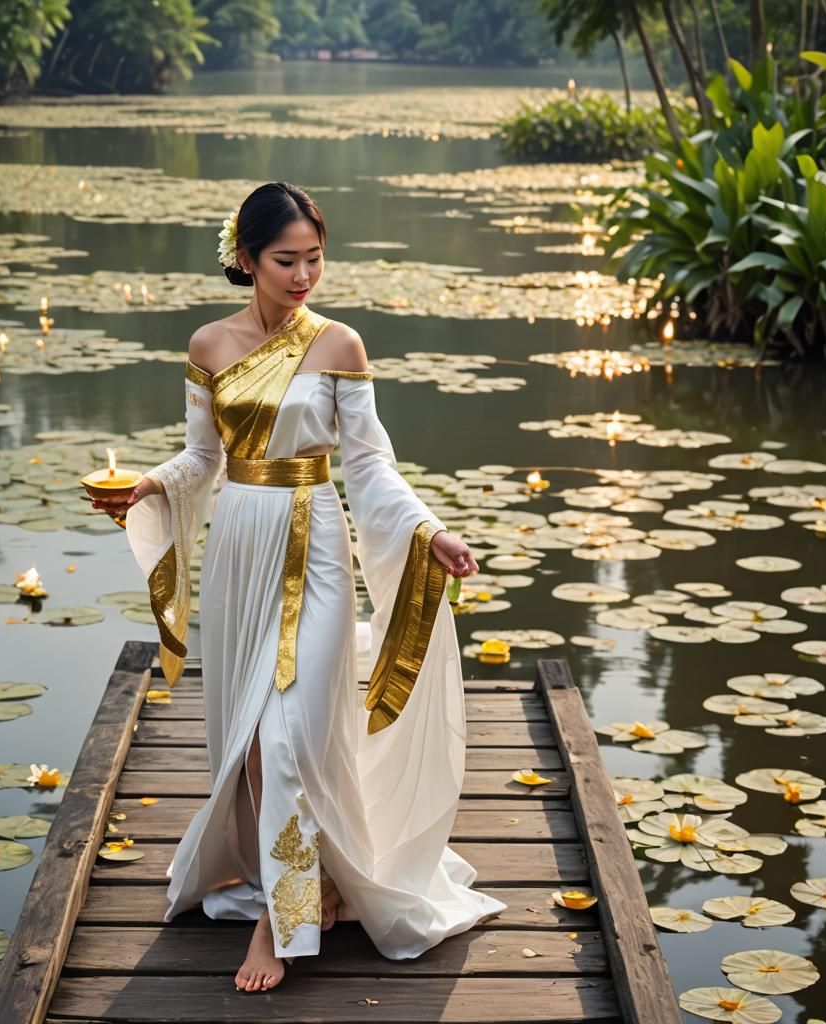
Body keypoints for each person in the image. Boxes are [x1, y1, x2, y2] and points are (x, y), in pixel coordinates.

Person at [91, 181, 505, 993]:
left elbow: (369, 464)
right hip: (241, 548)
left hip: (315, 546)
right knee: (253, 739)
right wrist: (147, 488)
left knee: (292, 731)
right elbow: (203, 461)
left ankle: (278, 928)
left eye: (315, 257)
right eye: (286, 260)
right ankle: (309, 884)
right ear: (245, 259)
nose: (305, 275)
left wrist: (430, 531)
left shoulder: (340, 346)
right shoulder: (208, 345)